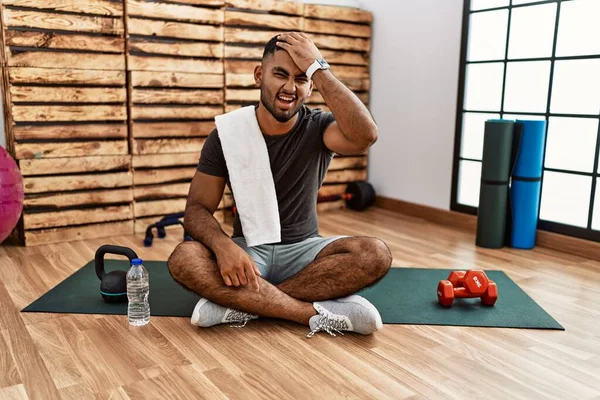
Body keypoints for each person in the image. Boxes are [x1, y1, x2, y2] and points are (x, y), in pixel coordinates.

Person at [167, 32, 392, 338]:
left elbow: (366, 135)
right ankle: (308, 314)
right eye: (280, 74)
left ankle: (244, 304)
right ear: (260, 75)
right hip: (248, 251)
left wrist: (320, 69)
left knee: (374, 253)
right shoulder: (227, 134)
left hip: (304, 251)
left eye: (301, 78)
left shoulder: (320, 128)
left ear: (311, 86)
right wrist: (224, 248)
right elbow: (196, 209)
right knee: (184, 258)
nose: (289, 87)